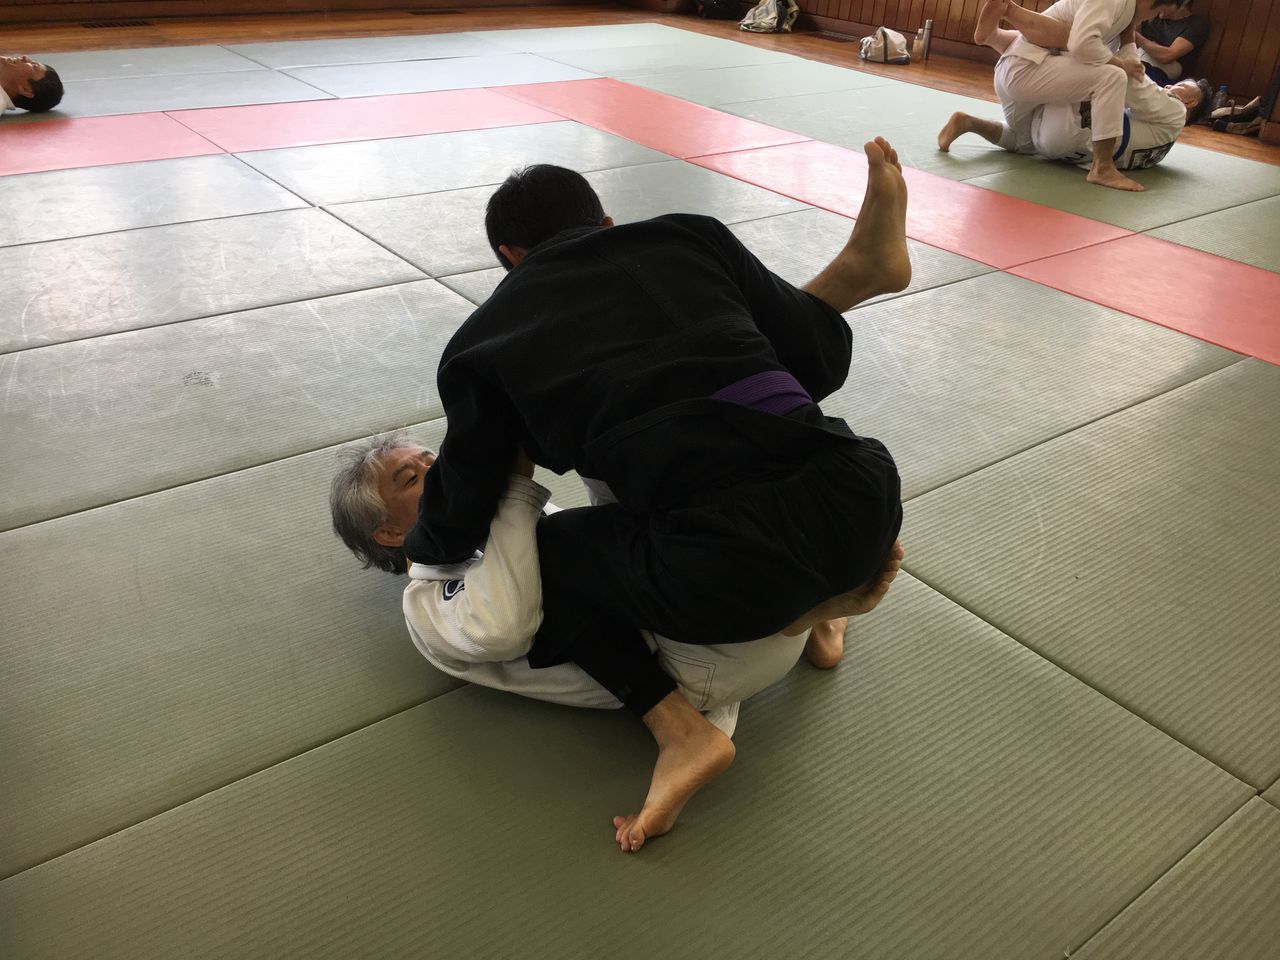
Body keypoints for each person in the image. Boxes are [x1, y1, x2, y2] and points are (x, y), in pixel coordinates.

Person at [404, 139, 912, 849]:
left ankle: (678, 731)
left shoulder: (485, 340)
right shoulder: (690, 235)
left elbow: (466, 500)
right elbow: (817, 362)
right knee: (751, 406)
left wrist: (419, 550)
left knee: (545, 549)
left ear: (509, 258)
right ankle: (820, 607)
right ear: (607, 221)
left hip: (723, 572)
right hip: (864, 499)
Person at [329, 433, 891, 851]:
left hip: (736, 620)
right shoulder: (427, 605)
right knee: (555, 550)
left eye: (432, 457)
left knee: (619, 457)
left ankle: (812, 612)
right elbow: (507, 626)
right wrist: (516, 483)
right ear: (392, 533)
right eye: (412, 478)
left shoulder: (501, 527)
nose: (439, 468)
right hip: (710, 660)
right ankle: (686, 724)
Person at [940, 5, 1212, 171]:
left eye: (1182, 86)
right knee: (1024, 141)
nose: (1172, 86)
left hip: (1071, 129)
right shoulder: (1162, 141)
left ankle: (1006, 24)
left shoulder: (1176, 113)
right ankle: (969, 122)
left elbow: (1133, 84)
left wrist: (1127, 35)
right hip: (1065, 148)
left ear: (1191, 103)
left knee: (1091, 53)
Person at [979, 0, 1190, 192]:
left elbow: (1125, 53)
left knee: (1025, 143)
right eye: (1159, 10)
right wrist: (1120, 64)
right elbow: (1082, 45)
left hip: (1020, 72)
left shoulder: (1124, 12)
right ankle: (1102, 167)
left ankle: (969, 122)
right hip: (1025, 73)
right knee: (1113, 76)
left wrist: (1128, 54)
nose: (1155, 17)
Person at [1134, 0, 1209, 85]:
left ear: (1182, 4)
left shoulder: (1197, 24)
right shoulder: (1154, 14)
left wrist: (1133, 33)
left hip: (1160, 72)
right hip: (1137, 60)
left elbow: (1167, 56)